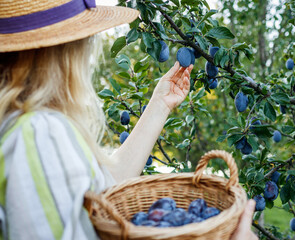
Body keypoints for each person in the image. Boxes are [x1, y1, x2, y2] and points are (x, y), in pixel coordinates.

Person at [0, 1, 257, 239]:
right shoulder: (38, 133)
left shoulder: (34, 129)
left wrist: (159, 104)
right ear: (67, 52)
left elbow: (107, 192)